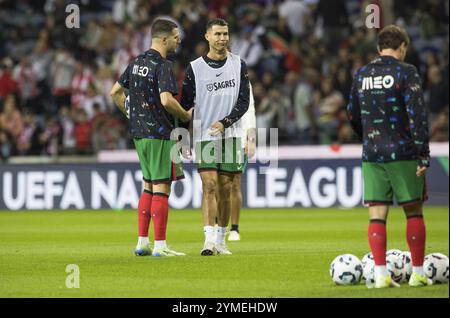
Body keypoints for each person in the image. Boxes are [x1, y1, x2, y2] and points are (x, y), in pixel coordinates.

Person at [347, 25, 431, 288]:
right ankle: (418, 273)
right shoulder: (406, 72)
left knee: (376, 215)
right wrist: (423, 153)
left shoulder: (362, 74)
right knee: (414, 213)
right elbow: (417, 115)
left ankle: (381, 274)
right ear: (403, 46)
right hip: (404, 151)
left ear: (378, 48)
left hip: (372, 154)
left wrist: (369, 136)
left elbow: (352, 113)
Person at [110, 19, 193, 257]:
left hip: (139, 134)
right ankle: (161, 246)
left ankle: (142, 243)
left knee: (147, 186)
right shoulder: (162, 65)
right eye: (176, 36)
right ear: (164, 39)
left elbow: (115, 92)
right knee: (161, 189)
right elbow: (167, 100)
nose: (179, 40)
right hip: (160, 134)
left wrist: (131, 114)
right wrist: (185, 114)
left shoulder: (136, 62)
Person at [181, 18, 250, 256]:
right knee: (208, 185)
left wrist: (225, 122)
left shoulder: (239, 65)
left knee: (226, 187)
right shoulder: (194, 68)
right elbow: (185, 106)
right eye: (218, 34)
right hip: (203, 137)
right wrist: (182, 137)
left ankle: (222, 239)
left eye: (225, 34)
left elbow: (244, 102)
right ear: (207, 36)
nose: (222, 38)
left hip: (230, 134)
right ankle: (209, 241)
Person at [228, 83, 256, 242]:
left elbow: (249, 109)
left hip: (239, 137)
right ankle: (218, 224)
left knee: (234, 183)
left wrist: (251, 139)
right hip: (215, 134)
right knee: (215, 183)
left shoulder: (241, 77)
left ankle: (234, 228)